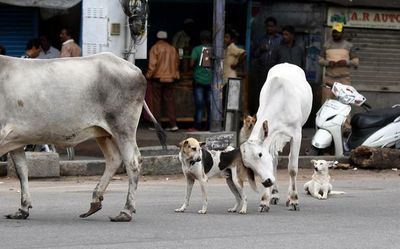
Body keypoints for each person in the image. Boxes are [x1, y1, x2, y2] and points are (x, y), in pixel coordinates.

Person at [146, 31, 180, 132]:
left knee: (156, 102)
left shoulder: (155, 48)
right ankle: (173, 124)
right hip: (170, 79)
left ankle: (158, 125)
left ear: (157, 38)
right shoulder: (172, 49)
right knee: (169, 101)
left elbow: (152, 65)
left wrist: (147, 75)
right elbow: (177, 63)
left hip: (158, 79)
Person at [319, 22, 359, 103]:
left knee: (344, 104)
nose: (335, 34)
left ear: (342, 33)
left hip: (344, 80)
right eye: (334, 32)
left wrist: (346, 62)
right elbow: (320, 60)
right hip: (329, 80)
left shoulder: (349, 46)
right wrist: (328, 63)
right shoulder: (326, 45)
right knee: (326, 103)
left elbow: (356, 62)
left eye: (338, 32)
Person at [250, 16, 282, 114]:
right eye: (268, 26)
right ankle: (258, 113)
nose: (269, 28)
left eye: (272, 26)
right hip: (262, 69)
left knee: (273, 92)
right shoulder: (261, 39)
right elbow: (253, 54)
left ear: (275, 27)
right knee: (260, 92)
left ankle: (271, 114)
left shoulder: (279, 40)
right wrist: (260, 49)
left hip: (274, 69)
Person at [189, 30, 213, 131]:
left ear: (201, 39)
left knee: (199, 105)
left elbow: (191, 64)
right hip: (211, 80)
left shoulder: (197, 49)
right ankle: (210, 126)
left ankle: (197, 126)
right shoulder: (214, 49)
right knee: (210, 105)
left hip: (198, 80)